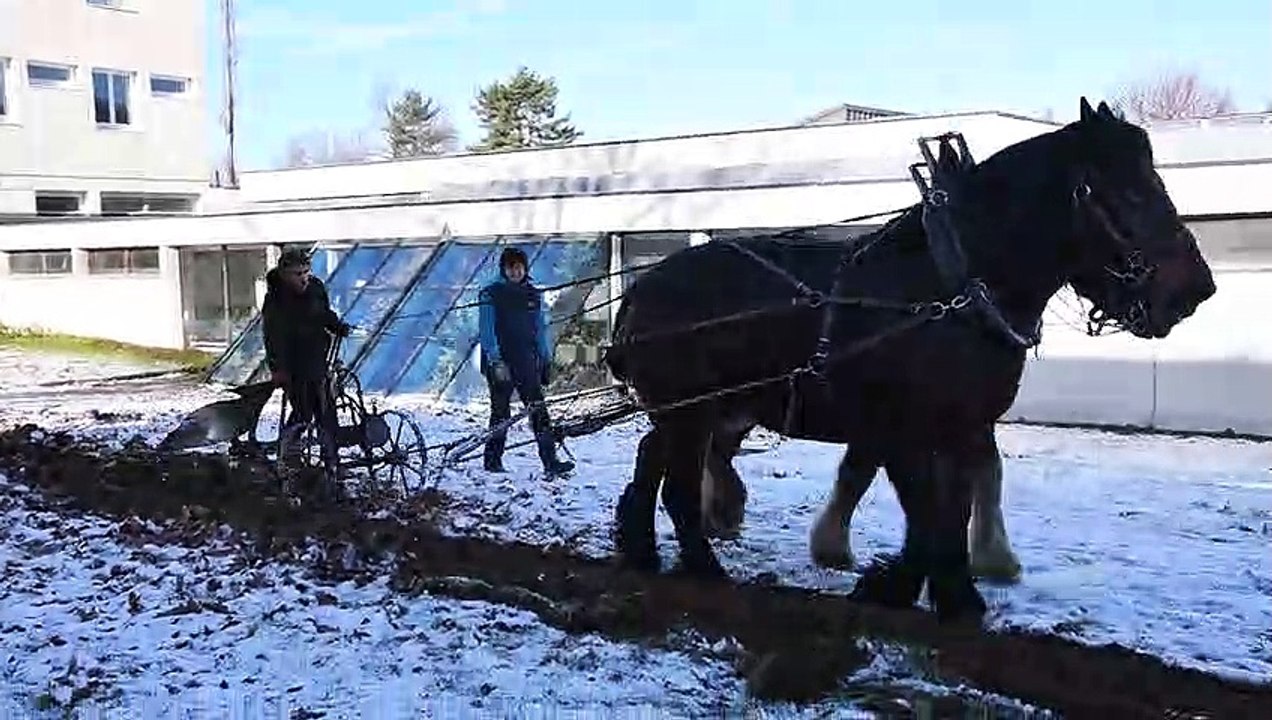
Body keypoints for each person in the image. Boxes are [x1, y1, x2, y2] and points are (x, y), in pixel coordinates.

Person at [477, 247, 575, 476]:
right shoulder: (491, 294)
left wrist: (546, 359)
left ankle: (550, 461)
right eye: (511, 267)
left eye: (519, 267)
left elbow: (540, 329)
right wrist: (495, 361)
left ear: (525, 268)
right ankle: (492, 461)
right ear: (503, 269)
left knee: (538, 409)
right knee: (501, 412)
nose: (515, 271)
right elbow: (486, 330)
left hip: (526, 360)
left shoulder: (532, 294)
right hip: (500, 361)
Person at [261, 248, 352, 475]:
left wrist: (337, 326)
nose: (303, 278)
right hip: (294, 364)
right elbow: (273, 336)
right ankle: (288, 453)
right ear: (284, 274)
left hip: (317, 357)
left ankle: (331, 460)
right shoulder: (275, 299)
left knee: (327, 412)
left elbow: (323, 313)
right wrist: (278, 368)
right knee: (303, 410)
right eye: (296, 273)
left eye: (305, 272)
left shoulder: (316, 288)